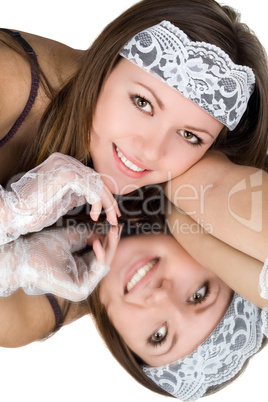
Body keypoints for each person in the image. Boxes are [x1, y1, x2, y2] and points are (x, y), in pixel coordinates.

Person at [0, 0, 268, 241]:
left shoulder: (157, 196)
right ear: (108, 63)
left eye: (189, 136)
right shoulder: (8, 76)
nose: (151, 150)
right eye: (143, 103)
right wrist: (15, 212)